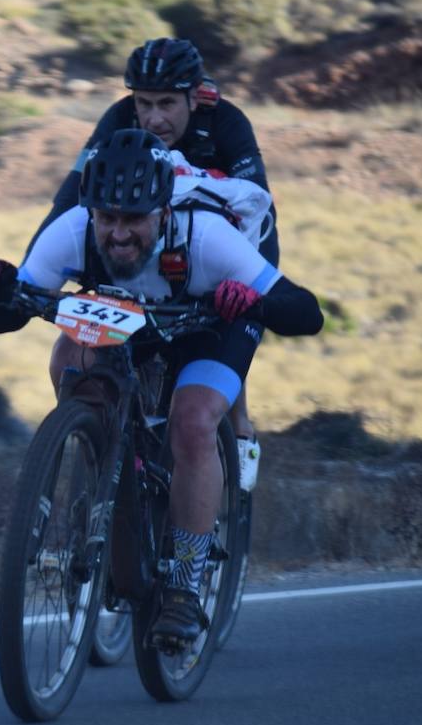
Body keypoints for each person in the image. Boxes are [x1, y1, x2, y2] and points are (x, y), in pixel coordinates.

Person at [0, 129, 322, 646]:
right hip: (125, 320)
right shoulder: (73, 230)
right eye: (108, 218)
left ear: (163, 211)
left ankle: (183, 586)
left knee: (194, 423)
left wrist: (252, 302)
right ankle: (103, 462)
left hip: (207, 325)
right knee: (68, 360)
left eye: (134, 219)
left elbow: (306, 313)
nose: (119, 234)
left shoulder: (207, 239)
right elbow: (4, 318)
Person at [28, 37, 274, 489]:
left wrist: (240, 296)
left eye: (166, 103)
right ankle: (106, 438)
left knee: (222, 329)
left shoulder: (226, 122)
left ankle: (239, 425)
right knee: (76, 352)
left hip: (230, 240)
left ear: (194, 96)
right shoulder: (119, 120)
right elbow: (70, 200)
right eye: (144, 103)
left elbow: (257, 208)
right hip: (143, 242)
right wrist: (35, 276)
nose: (153, 117)